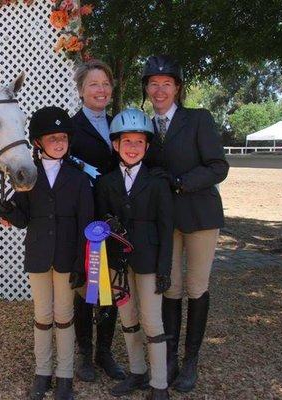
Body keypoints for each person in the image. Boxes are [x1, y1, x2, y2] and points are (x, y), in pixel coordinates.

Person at [141, 55, 230, 393]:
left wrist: (180, 181)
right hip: (166, 221)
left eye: (166, 84)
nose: (159, 89)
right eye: (153, 83)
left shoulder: (198, 119)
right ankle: (170, 358)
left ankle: (191, 359)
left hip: (200, 214)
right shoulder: (146, 127)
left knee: (196, 287)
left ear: (177, 88)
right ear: (147, 89)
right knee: (171, 287)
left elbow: (218, 166)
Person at [0, 106, 93, 400]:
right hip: (38, 257)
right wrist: (9, 211)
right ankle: (43, 372)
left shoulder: (78, 179)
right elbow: (23, 220)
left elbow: (86, 224)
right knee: (42, 315)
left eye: (63, 137)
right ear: (37, 142)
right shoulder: (29, 177)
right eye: (52, 138)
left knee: (64, 316)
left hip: (67, 260)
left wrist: (81, 262)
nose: (59, 143)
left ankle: (64, 376)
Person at [96, 108, 173, 400]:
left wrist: (165, 268)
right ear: (115, 145)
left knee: (153, 321)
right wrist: (106, 222)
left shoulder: (158, 183)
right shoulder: (105, 183)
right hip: (118, 262)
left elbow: (167, 229)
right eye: (126, 142)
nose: (132, 148)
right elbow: (98, 221)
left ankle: (159, 384)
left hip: (150, 262)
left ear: (147, 146)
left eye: (138, 142)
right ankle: (138, 372)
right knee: (127, 318)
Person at [70, 59, 125, 381]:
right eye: (93, 84)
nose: (100, 90)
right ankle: (84, 354)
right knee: (87, 288)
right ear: (81, 90)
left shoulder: (121, 124)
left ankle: (105, 352)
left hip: (117, 217)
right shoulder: (72, 128)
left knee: (111, 285)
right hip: (88, 220)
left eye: (105, 84)